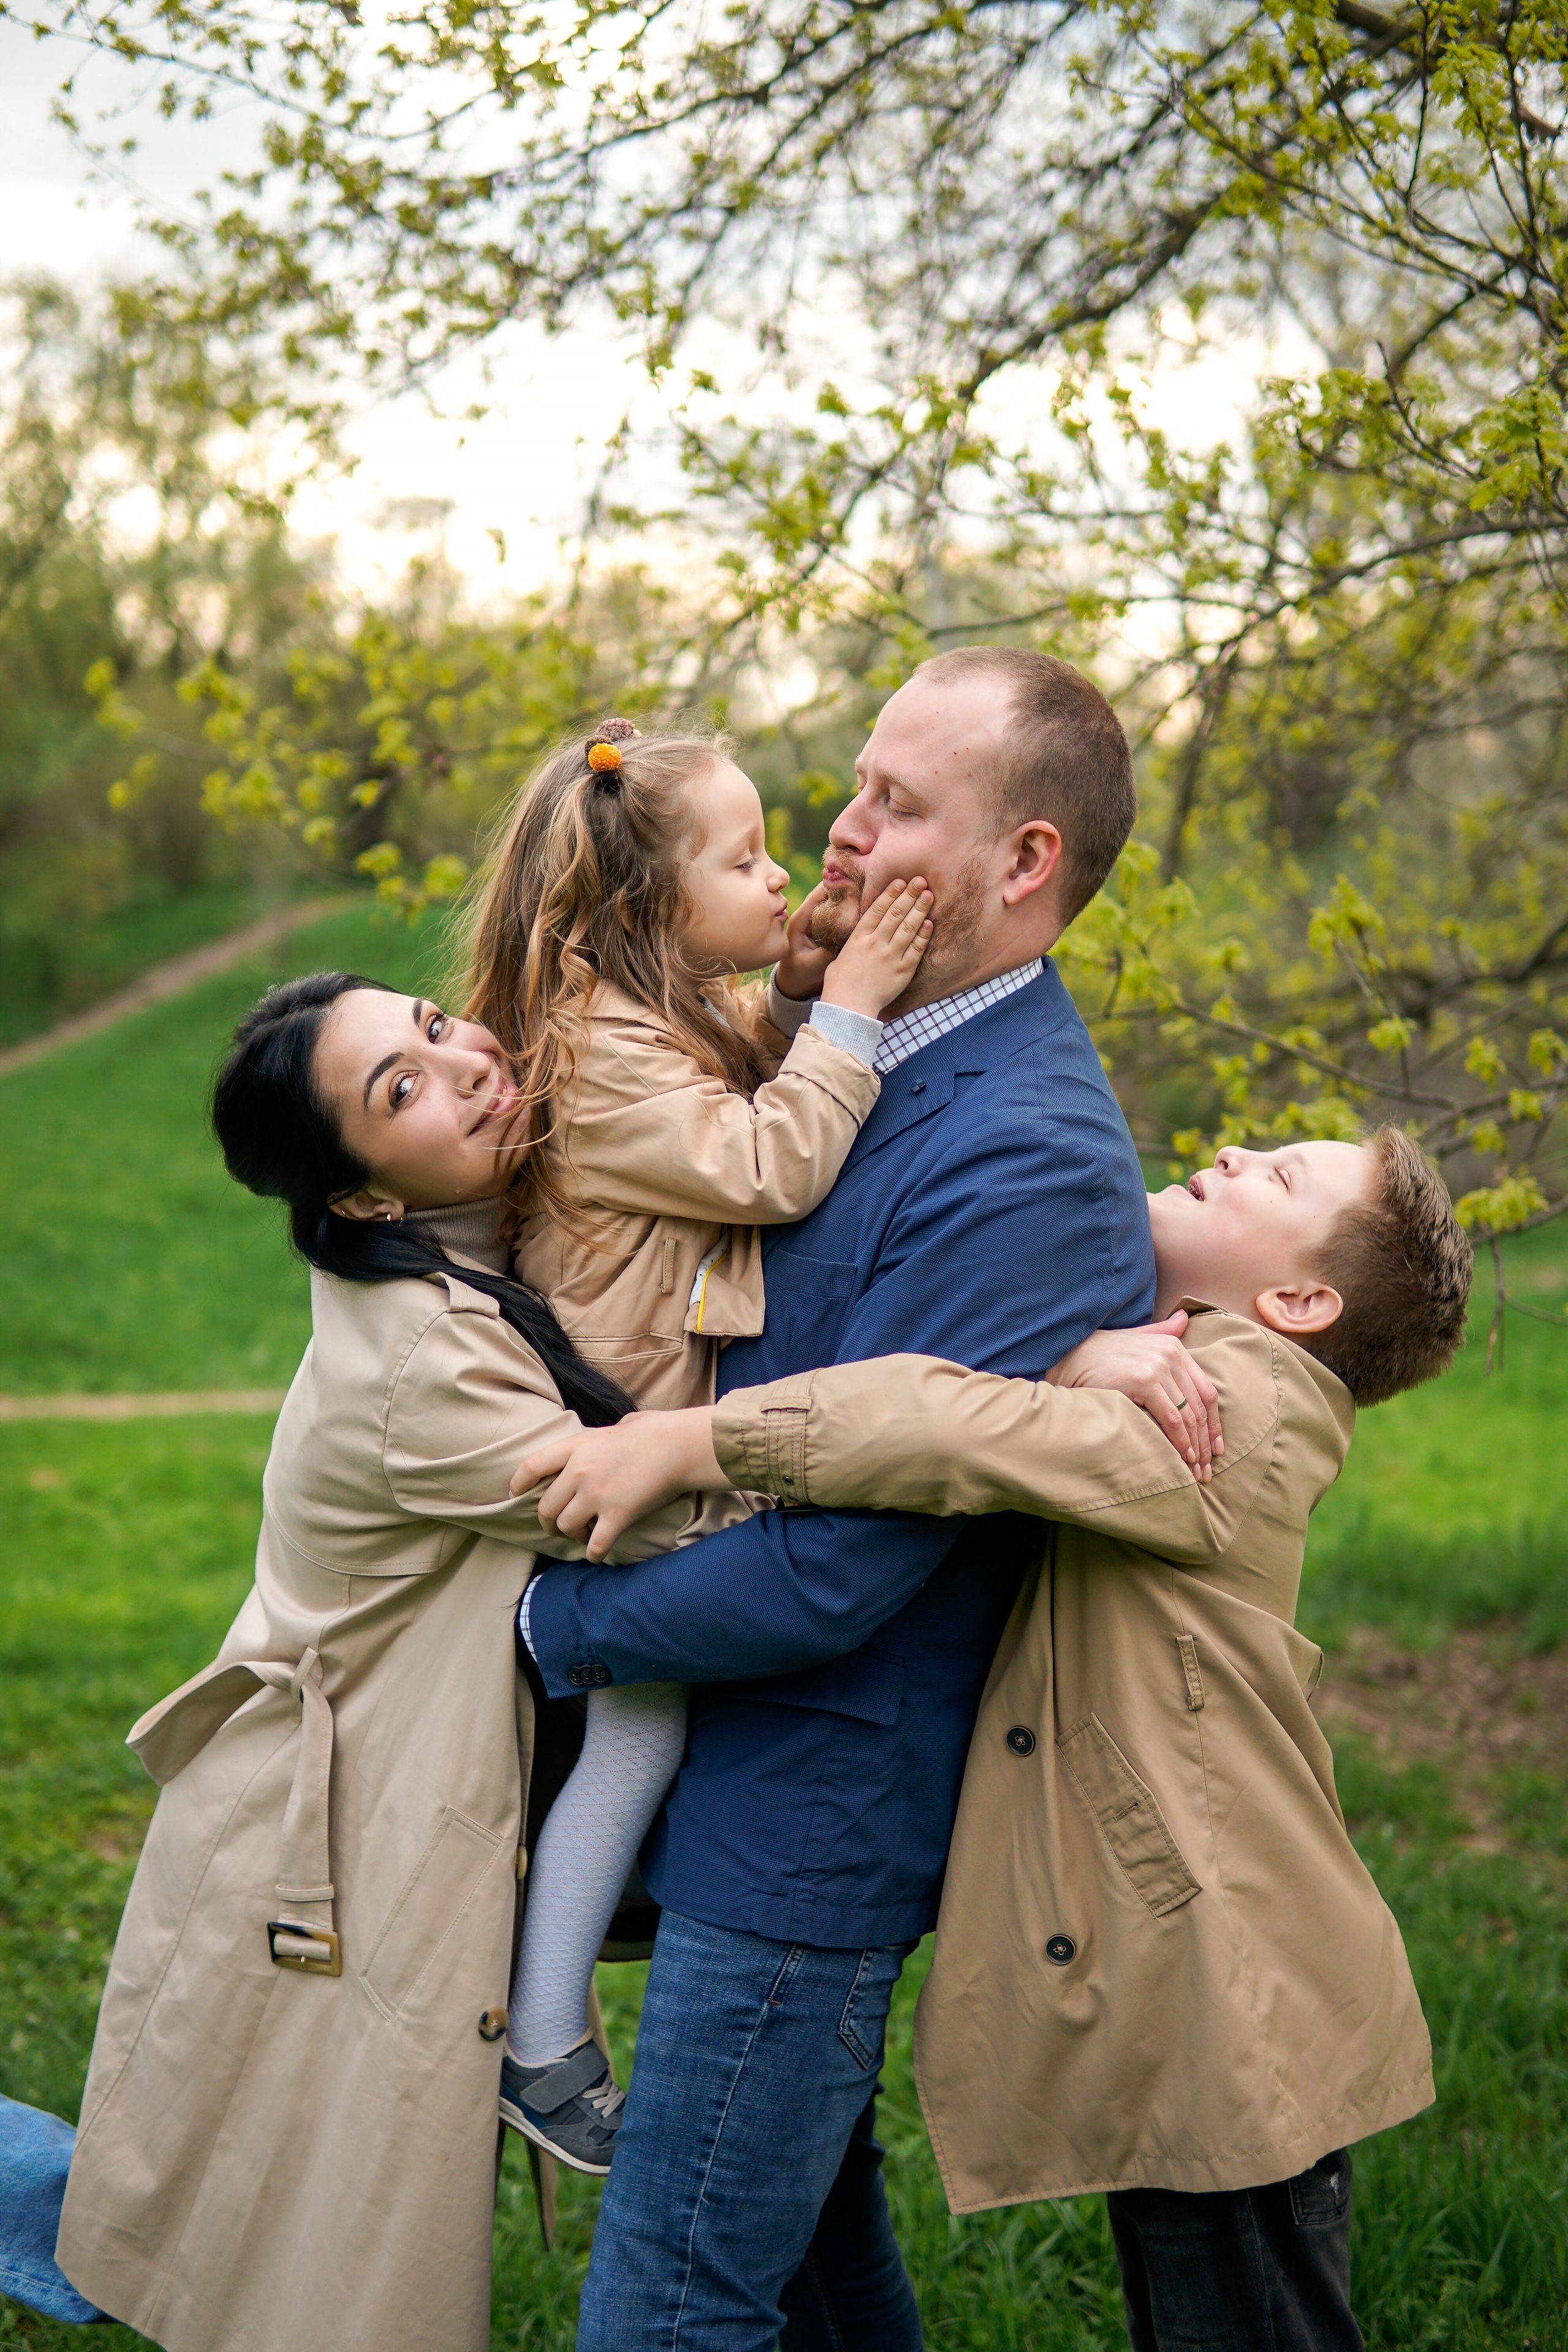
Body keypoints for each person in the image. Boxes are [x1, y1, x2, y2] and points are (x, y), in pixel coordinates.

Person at [518, 1123, 1474, 2352]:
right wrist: (1068, 1355)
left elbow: (957, 1432)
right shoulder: (1187, 1367)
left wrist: (693, 1441)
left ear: (1296, 1299)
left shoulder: (1235, 1417)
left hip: (1238, 1990)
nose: (1233, 1150)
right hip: (1184, 1966)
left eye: (1279, 1176)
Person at [514, 644, 1158, 2348]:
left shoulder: (1027, 1147)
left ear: (1026, 863)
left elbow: (836, 1574)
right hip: (730, 1752)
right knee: (808, 2260)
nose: (846, 833)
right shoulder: (873, 1049)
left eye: (898, 804)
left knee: (669, 2302)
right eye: (857, 783)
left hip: (810, 1815)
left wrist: (542, 1619)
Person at [51, 973, 736, 2352]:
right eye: (403, 1088)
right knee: (322, 2219)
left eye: (432, 1025)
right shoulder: (419, 1356)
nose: (465, 1062)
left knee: (292, 2200)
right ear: (362, 1198)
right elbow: (675, 1509)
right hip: (328, 1821)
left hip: (359, 1783)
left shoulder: (460, 1257)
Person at [459, 718, 934, 2170]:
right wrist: (850, 1005)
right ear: (647, 910)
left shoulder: (639, 1014)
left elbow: (743, 1095)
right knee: (643, 1723)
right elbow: (766, 1158)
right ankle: (539, 2043)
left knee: (645, 1728)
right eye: (745, 859)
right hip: (621, 1440)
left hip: (647, 1425)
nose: (780, 872)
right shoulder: (598, 1051)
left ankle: (566, 1999)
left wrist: (792, 998)